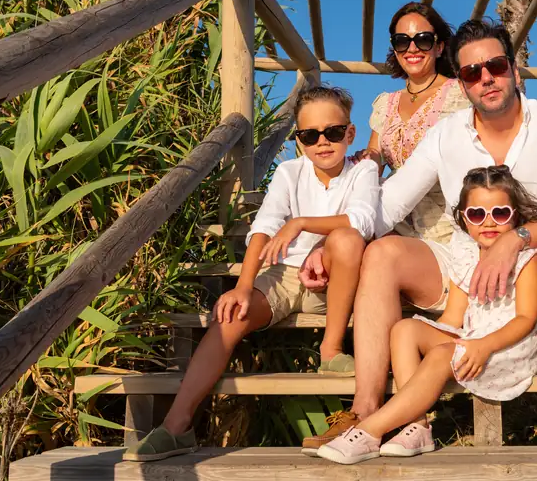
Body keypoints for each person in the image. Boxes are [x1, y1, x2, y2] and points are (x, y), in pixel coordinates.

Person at [301, 19, 537, 462]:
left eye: (495, 66)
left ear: (514, 71)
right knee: (382, 251)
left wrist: (515, 240)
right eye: (471, 72)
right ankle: (366, 410)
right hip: (464, 264)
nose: (486, 78)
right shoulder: (447, 134)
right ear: (461, 83)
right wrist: (331, 240)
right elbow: (388, 204)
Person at [123, 86, 379, 462]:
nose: (322, 142)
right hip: (284, 274)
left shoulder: (364, 170)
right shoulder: (291, 172)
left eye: (333, 132)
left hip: (338, 281)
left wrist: (302, 224)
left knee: (347, 239)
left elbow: (364, 220)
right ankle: (176, 427)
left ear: (350, 133)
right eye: (310, 135)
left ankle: (331, 348)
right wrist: (243, 286)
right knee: (229, 316)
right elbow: (266, 223)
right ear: (298, 141)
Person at [316, 166, 537, 464]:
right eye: (477, 214)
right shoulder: (466, 254)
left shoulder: (526, 259)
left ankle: (370, 430)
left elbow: (526, 319)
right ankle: (418, 425)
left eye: (500, 213)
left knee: (441, 356)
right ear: (464, 219)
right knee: (404, 330)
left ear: (514, 216)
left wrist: (480, 346)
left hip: (507, 349)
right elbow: (453, 317)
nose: (488, 222)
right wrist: (432, 340)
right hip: (473, 339)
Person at [358, 1, 470, 245]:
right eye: (402, 41)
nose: (412, 48)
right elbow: (375, 159)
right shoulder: (385, 104)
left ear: (439, 47)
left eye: (423, 40)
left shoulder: (461, 94)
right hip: (392, 221)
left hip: (447, 226)